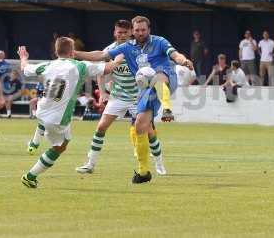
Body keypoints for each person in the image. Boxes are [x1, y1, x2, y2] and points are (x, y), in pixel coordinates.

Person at [74, 15, 193, 184]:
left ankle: (166, 111)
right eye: (137, 30)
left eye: (142, 30)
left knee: (156, 76)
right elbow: (101, 58)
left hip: (162, 81)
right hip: (130, 93)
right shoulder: (125, 48)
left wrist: (183, 60)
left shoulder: (159, 41)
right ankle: (141, 171)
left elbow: (174, 54)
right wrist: (75, 53)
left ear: (148, 30)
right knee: (138, 127)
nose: (140, 33)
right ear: (130, 32)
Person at [18, 37, 123, 188]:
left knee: (64, 139)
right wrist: (120, 58)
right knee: (60, 146)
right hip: (57, 118)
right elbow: (107, 68)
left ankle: (34, 143)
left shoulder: (47, 65)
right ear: (72, 51)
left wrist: (23, 57)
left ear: (56, 51)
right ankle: (30, 176)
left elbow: (25, 68)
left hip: (42, 110)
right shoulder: (79, 66)